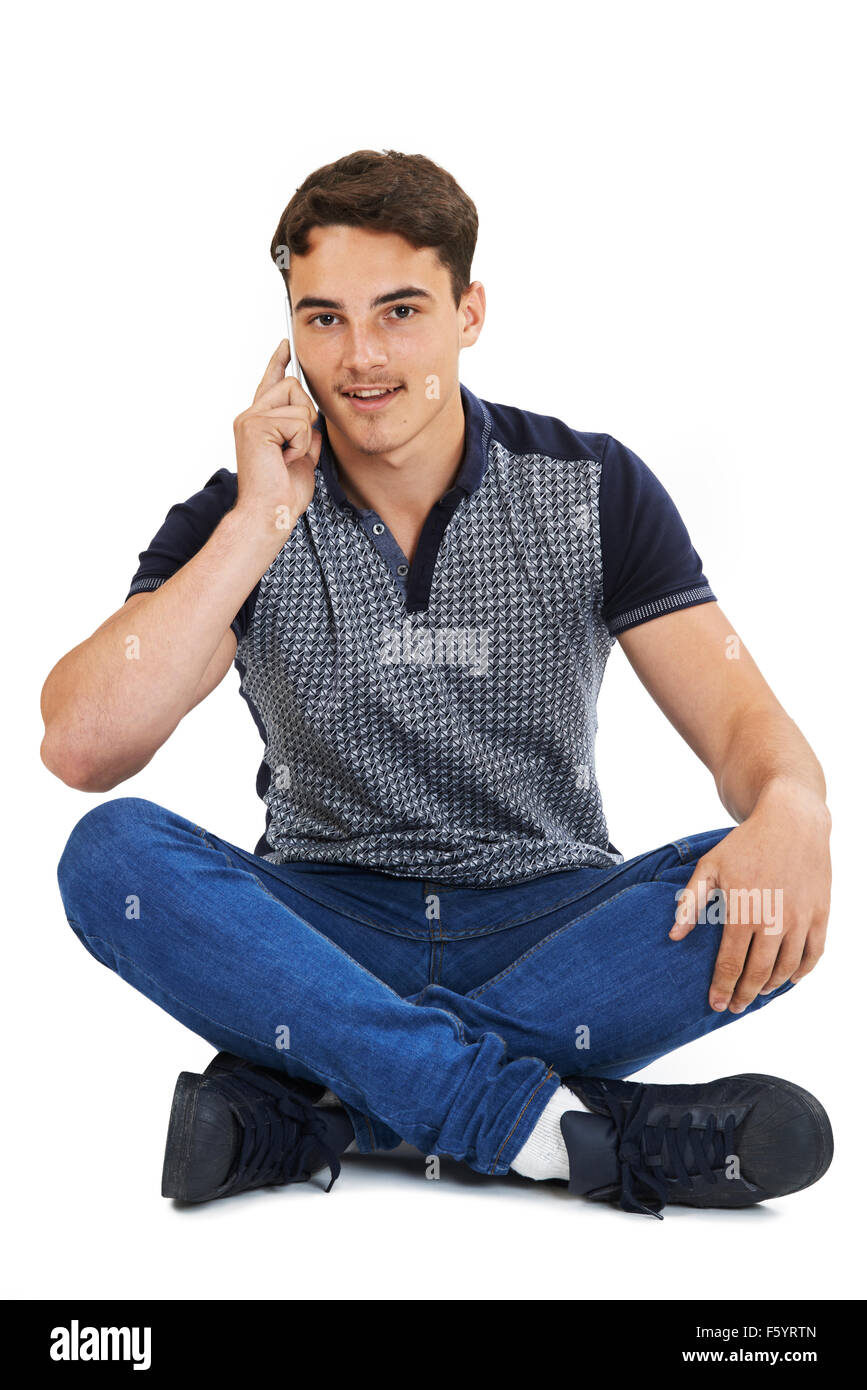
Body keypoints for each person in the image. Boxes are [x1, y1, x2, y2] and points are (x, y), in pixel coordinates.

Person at [42, 150, 833, 1218]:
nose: (360, 357)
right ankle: (566, 1129)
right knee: (110, 856)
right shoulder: (238, 520)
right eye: (322, 320)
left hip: (552, 921)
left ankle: (323, 1108)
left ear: (470, 313)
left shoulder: (590, 486)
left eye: (399, 311)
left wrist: (792, 804)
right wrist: (257, 524)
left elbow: (747, 729)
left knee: (767, 882)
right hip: (320, 924)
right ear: (287, 338)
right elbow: (83, 745)